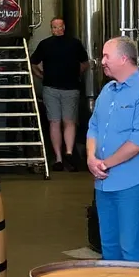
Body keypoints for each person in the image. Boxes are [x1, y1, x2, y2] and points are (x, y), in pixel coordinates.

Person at [85, 37, 139, 261]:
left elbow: (138, 141)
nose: (102, 61)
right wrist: (91, 158)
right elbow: (94, 127)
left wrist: (104, 164)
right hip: (103, 182)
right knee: (108, 246)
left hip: (131, 183)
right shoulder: (107, 91)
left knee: (131, 248)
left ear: (124, 58)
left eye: (107, 56)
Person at [30, 17, 90, 170]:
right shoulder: (48, 44)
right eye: (55, 26)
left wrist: (41, 75)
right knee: (58, 122)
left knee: (64, 122)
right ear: (52, 28)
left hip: (65, 88)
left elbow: (85, 62)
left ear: (64, 27)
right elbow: (33, 62)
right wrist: (41, 76)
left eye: (60, 26)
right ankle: (61, 157)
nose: (58, 29)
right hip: (56, 88)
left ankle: (65, 155)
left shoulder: (72, 43)